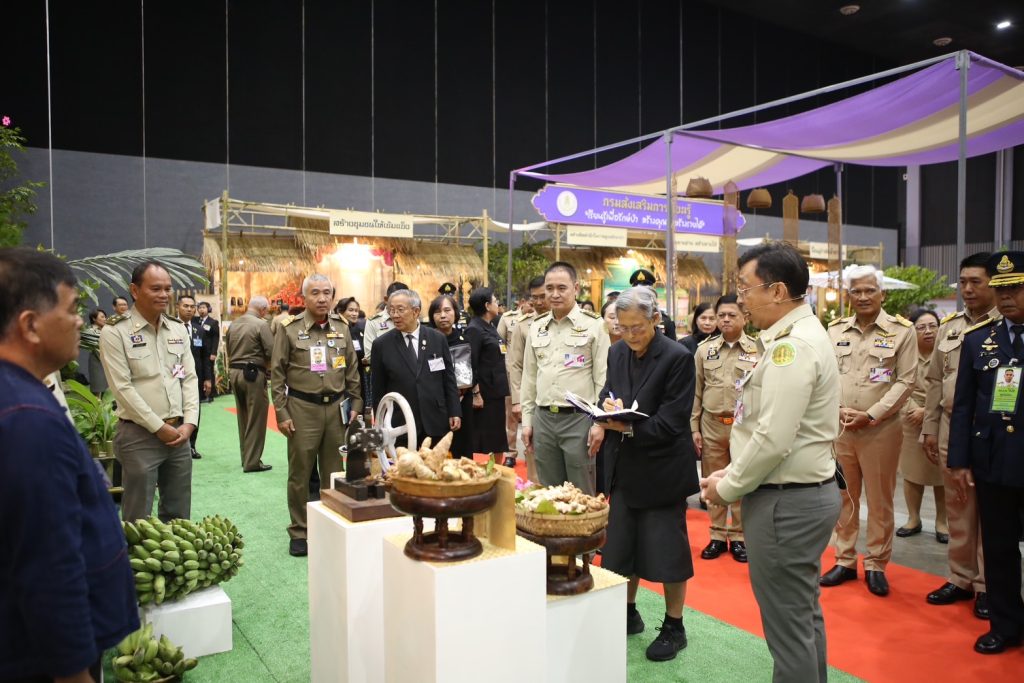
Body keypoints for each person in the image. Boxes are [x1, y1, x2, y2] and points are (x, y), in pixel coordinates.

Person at [700, 241, 841, 683]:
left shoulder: (791, 348)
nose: (741, 299)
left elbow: (773, 438)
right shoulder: (798, 336)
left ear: (777, 291)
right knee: (801, 616)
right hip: (797, 492)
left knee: (788, 628)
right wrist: (732, 471)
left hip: (785, 502)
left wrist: (726, 487)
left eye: (746, 288)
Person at [0, 248, 139, 683]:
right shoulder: (27, 419)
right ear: (30, 325)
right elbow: (48, 566)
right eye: (72, 309)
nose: (81, 321)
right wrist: (73, 672)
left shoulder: (19, 395)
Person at [588, 286, 698, 662]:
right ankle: (627, 612)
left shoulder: (677, 357)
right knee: (620, 547)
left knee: (667, 551)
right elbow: (608, 392)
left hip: (663, 468)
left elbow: (673, 420)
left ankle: (674, 626)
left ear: (655, 319)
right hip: (624, 465)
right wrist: (604, 414)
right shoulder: (617, 351)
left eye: (638, 327)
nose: (631, 335)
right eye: (624, 327)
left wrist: (626, 426)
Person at [819, 264, 917, 598]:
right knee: (843, 497)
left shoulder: (902, 331)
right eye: (856, 291)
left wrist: (871, 414)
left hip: (881, 429)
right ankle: (845, 559)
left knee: (880, 500)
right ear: (848, 295)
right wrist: (835, 409)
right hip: (841, 428)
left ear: (882, 294)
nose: (863, 296)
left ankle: (876, 563)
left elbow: (906, 380)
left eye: (869, 290)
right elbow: (824, 374)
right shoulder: (835, 329)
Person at [947, 250, 1024, 655]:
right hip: (994, 461)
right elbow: (963, 406)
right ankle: (1006, 625)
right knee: (998, 548)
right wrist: (959, 461)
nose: (1007, 297)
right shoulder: (979, 340)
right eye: (1001, 289)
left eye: (1016, 288)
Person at [921, 251, 997, 617]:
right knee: (958, 506)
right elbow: (934, 380)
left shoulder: (1007, 325)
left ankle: (988, 584)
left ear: (993, 285)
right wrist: (930, 428)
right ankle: (961, 577)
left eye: (975, 282)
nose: (967, 289)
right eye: (962, 282)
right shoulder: (949, 327)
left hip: (992, 431)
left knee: (992, 509)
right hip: (952, 426)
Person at [100, 261, 199, 522]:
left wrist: (190, 422)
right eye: (156, 289)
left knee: (179, 516)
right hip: (138, 435)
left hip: (178, 434)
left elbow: (188, 378)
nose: (164, 295)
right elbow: (122, 388)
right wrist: (158, 427)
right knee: (138, 519)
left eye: (168, 288)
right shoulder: (115, 331)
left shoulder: (177, 328)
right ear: (135, 290)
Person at [271, 274, 362, 557]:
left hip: (336, 409)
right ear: (304, 297)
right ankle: (300, 531)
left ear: (333, 297)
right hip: (302, 410)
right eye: (315, 293)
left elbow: (351, 369)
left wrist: (356, 404)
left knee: (334, 472)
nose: (322, 298)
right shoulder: (289, 329)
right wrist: (282, 412)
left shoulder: (342, 327)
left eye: (327, 293)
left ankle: (329, 526)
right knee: (300, 473)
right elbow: (277, 374)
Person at [521, 262, 609, 494]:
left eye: (562, 288)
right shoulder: (537, 327)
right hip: (543, 419)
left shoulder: (594, 325)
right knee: (549, 491)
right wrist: (527, 421)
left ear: (576, 288)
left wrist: (599, 423)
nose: (555, 294)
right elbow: (529, 378)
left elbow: (603, 379)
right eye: (550, 288)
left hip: (579, 420)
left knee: (582, 490)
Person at [691, 294, 758, 564]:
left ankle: (739, 536)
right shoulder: (704, 350)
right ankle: (717, 535)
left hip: (744, 425)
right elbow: (696, 391)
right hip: (712, 424)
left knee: (741, 480)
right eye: (722, 315)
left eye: (732, 315)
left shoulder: (758, 349)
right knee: (713, 480)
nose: (726, 320)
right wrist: (694, 427)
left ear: (745, 317)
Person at [371, 289, 462, 447]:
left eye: (400, 309)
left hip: (435, 419)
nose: (395, 315)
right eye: (391, 310)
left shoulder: (437, 339)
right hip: (400, 423)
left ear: (416, 311)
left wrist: (454, 410)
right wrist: (381, 423)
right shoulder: (381, 345)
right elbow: (378, 389)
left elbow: (448, 379)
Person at [895, 309, 947, 541]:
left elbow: (954, 386)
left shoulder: (948, 352)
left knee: (942, 475)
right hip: (910, 420)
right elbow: (893, 383)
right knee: (912, 473)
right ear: (912, 330)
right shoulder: (904, 353)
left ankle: (942, 522)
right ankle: (913, 518)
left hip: (941, 419)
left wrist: (927, 411)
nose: (928, 331)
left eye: (933, 326)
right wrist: (912, 409)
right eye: (922, 327)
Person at [225, 296, 274, 473]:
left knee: (243, 417)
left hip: (234, 372)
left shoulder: (234, 324)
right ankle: (252, 462)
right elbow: (272, 351)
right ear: (263, 310)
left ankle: (245, 457)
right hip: (253, 374)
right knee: (256, 418)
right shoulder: (261, 325)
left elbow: (228, 350)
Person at [508, 276, 548, 482]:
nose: (539, 302)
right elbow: (515, 365)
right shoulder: (523, 325)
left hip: (562, 400)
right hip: (532, 397)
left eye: (543, 297)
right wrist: (517, 401)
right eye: (535, 298)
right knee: (532, 448)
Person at [467, 287, 512, 465]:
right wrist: (476, 393)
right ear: (487, 305)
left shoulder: (489, 326)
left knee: (497, 438)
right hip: (484, 395)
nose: (497, 304)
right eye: (495, 300)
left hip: (495, 392)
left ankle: (494, 472)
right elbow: (470, 364)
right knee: (485, 439)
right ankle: (481, 473)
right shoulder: (474, 329)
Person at [429, 294, 475, 459]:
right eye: (437, 312)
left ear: (455, 313)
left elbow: (475, 369)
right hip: (437, 403)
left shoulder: (465, 339)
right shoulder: (427, 342)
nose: (442, 316)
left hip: (463, 400)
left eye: (447, 310)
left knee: (463, 448)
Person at [178, 295, 210, 459]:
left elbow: (205, 357)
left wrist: (208, 378)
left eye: (192, 307)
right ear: (178, 307)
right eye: (186, 306)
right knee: (177, 410)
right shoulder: (171, 328)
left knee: (194, 410)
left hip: (195, 377)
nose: (189, 309)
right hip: (176, 377)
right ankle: (178, 445)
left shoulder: (199, 330)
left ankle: (191, 445)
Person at [336, 297, 368, 409]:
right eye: (350, 310)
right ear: (340, 311)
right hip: (340, 378)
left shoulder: (359, 331)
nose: (354, 314)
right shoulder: (335, 331)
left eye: (356, 311)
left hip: (358, 377)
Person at [629, 268, 675, 340]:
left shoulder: (664, 319)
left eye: (646, 293)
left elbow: (672, 345)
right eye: (639, 293)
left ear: (653, 294)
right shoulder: (626, 318)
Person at [196, 301, 220, 403]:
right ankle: (201, 394)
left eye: (203, 307)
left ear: (208, 309)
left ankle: (210, 395)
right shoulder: (195, 321)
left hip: (209, 352)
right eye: (200, 308)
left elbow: (216, 338)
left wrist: (214, 353)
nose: (201, 309)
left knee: (209, 373)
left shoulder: (213, 322)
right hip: (198, 351)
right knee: (200, 371)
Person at [86, 308, 108, 395]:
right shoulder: (90, 332)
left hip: (106, 363)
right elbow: (98, 349)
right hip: (98, 363)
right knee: (98, 390)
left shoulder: (104, 330)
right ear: (94, 319)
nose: (105, 319)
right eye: (102, 317)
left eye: (105, 317)